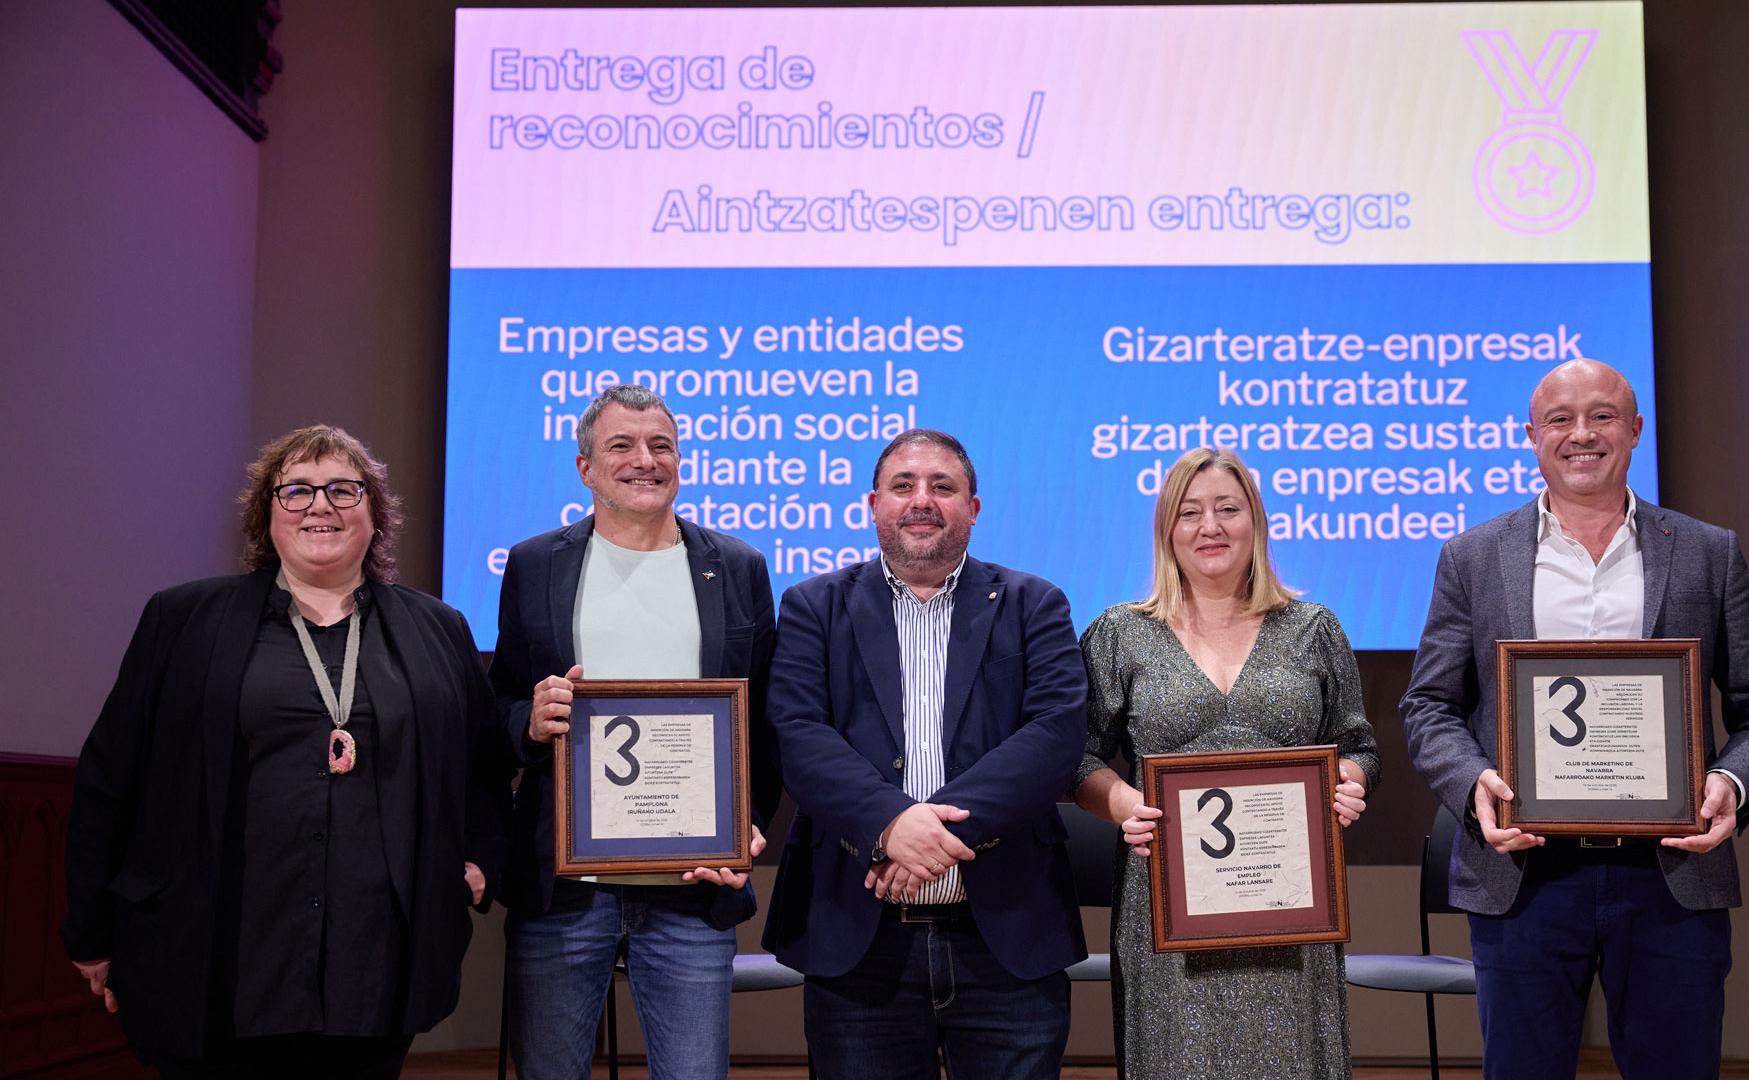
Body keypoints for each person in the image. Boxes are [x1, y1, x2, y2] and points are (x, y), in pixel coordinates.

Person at [61, 426, 510, 1079]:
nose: (319, 505)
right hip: (215, 955)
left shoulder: (438, 629)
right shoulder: (184, 619)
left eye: (342, 489)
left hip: (376, 963)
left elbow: (484, 768)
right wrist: (91, 932)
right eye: (296, 489)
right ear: (265, 513)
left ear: (374, 513)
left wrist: (478, 865)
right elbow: (110, 778)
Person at [1401, 358, 1749, 1079]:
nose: (1581, 434)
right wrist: (1474, 784)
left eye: (1602, 416)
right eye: (1560, 419)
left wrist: (1731, 786)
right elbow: (1429, 706)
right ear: (1531, 435)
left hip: (1671, 876)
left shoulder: (1708, 554)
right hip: (1524, 877)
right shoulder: (1471, 556)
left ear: (1635, 429)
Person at [761, 429, 1088, 1079]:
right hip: (858, 939)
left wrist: (921, 830)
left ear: (973, 507)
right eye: (904, 486)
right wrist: (890, 822)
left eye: (943, 487)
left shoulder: (1034, 605)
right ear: (872, 504)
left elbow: (1055, 733)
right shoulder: (813, 606)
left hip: (1006, 932)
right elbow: (797, 733)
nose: (922, 500)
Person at [490, 385, 779, 1080]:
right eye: (621, 445)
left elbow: (765, 721)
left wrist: (749, 822)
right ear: (585, 466)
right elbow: (497, 703)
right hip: (566, 888)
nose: (644, 460)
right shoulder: (535, 565)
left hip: (692, 884)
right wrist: (525, 721)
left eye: (661, 446)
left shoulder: (737, 567)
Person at [1074, 446, 1379, 1079]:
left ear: (1256, 522)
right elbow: (1075, 759)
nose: (1210, 527)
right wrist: (1126, 803)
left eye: (1227, 509)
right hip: (1166, 902)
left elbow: (1358, 746)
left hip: (1290, 902)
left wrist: (1349, 781)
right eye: (1189, 513)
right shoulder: (1118, 634)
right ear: (1167, 530)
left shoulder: (1312, 628)